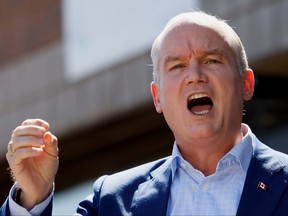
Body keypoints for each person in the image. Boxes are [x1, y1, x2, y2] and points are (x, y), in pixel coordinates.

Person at [1, 11, 288, 216]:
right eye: (176, 66)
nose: (195, 75)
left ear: (246, 84)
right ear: (158, 97)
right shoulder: (112, 200)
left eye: (212, 60)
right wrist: (32, 200)